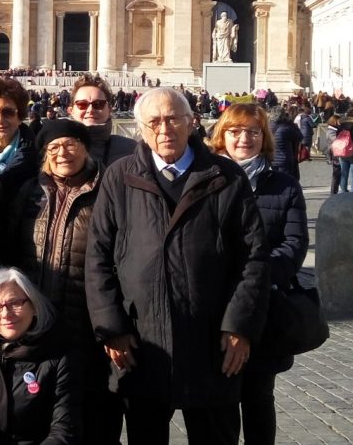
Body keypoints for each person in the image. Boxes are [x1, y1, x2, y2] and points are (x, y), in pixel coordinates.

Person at [85, 87, 269, 445]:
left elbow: (253, 257)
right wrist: (111, 328)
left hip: (213, 339)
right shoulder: (119, 177)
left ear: (191, 122)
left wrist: (240, 327)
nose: (164, 129)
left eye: (173, 119)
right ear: (140, 128)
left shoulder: (227, 176)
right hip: (142, 341)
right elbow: (99, 257)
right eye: (154, 121)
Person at [11, 119, 121, 445]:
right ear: (44, 154)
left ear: (86, 148)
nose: (63, 153)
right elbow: (10, 250)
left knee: (93, 419)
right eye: (54, 147)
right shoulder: (29, 191)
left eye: (71, 144)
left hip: (89, 327)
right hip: (37, 328)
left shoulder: (110, 190)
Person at [208, 104, 308, 445]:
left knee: (258, 396)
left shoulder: (285, 185)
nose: (244, 139)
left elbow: (294, 244)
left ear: (264, 137)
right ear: (222, 136)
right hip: (215, 306)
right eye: (235, 131)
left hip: (263, 306)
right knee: (219, 400)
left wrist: (254, 278)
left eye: (252, 131)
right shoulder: (206, 179)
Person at [0, 268, 79, 445]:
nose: (5, 314)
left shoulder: (59, 357)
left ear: (34, 306)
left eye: (15, 303)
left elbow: (65, 430)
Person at [66, 74, 135, 169]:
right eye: (82, 104)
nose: (90, 110)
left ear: (110, 110)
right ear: (71, 111)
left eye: (98, 104)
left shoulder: (132, 150)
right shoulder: (56, 150)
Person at [270, 107, 303, 181]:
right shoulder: (286, 128)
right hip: (285, 159)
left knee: (276, 180)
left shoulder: (268, 126)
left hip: (272, 159)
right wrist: (292, 124)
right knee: (286, 181)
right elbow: (300, 137)